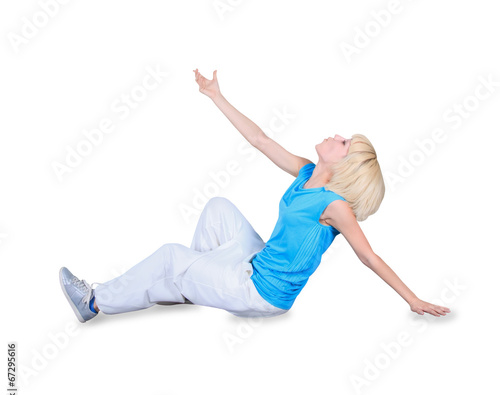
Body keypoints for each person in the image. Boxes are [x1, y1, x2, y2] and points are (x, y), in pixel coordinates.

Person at [59, 68, 451, 323]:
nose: (336, 135)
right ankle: (190, 286)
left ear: (346, 165)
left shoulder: (335, 206)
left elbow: (369, 256)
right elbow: (260, 139)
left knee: (170, 256)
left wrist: (412, 299)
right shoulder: (308, 172)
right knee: (218, 208)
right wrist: (215, 95)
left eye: (344, 141)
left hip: (263, 293)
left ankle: (93, 302)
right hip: (255, 262)